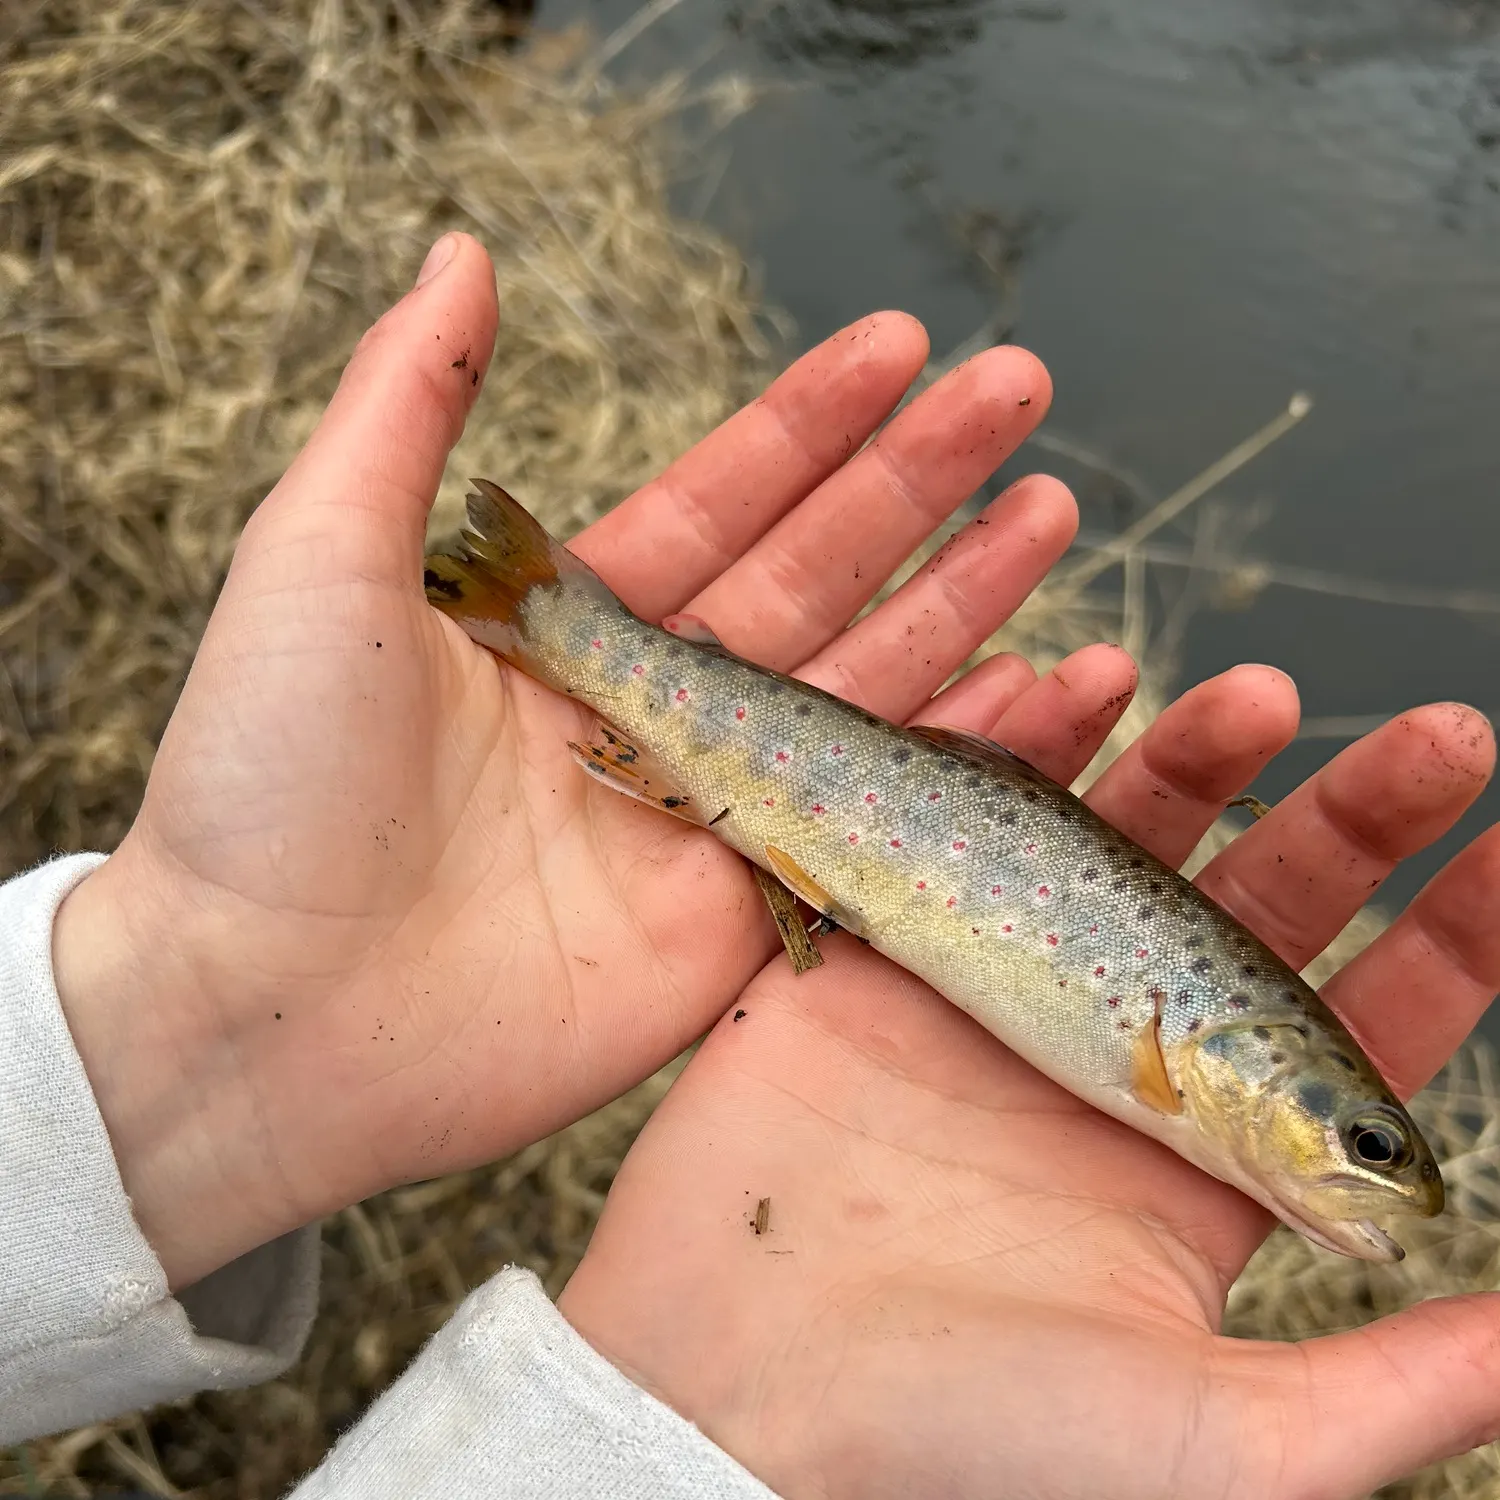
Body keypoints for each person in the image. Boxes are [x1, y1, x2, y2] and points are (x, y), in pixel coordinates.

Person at [4, 232, 1500, 1498]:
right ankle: (544, 620)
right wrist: (188, 1003)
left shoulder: (1211, 1097)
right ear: (1266, 1064)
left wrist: (161, 1048)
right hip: (780, 783)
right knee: (693, 738)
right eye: (1366, 1144)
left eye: (1373, 1152)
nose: (1371, 1179)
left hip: (816, 810)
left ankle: (550, 624)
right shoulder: (1188, 1076)